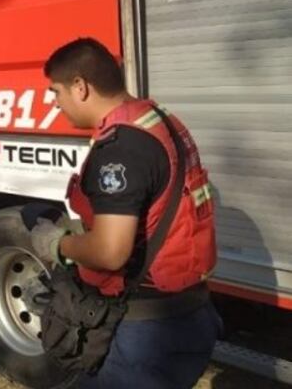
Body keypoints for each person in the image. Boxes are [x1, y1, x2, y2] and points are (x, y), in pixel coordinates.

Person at [32, 38, 219, 388]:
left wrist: (59, 244)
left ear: (80, 87)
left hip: (148, 332)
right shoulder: (159, 119)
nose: (56, 104)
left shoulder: (121, 150)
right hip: (189, 315)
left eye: (55, 92)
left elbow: (110, 251)